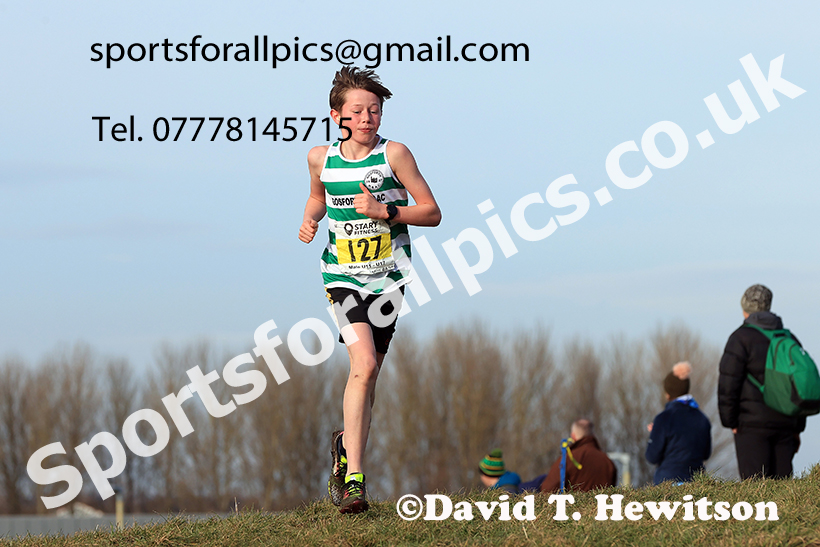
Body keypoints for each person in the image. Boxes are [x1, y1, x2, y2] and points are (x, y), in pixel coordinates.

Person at [298, 67, 441, 514]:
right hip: (341, 276)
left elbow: (432, 212)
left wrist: (387, 210)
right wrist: (311, 219)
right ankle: (356, 480)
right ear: (336, 115)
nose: (367, 118)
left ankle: (346, 446)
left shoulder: (394, 155)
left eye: (374, 110)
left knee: (371, 371)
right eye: (358, 111)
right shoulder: (319, 158)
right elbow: (318, 196)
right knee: (362, 364)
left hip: (389, 276)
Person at [718, 284, 805, 479]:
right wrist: (797, 427)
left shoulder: (739, 339)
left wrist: (730, 421)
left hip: (751, 426)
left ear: (744, 308)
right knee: (783, 493)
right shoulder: (789, 339)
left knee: (756, 492)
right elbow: (800, 386)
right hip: (785, 426)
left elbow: (728, 385)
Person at [645, 361, 712, 485]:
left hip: (668, 483)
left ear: (668, 393)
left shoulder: (663, 419)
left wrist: (655, 433)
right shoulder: (702, 419)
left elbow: (651, 456)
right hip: (695, 485)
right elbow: (706, 454)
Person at [540, 419, 617, 493]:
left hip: (573, 506)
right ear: (592, 435)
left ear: (573, 436)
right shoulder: (608, 462)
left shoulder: (568, 459)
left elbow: (547, 490)